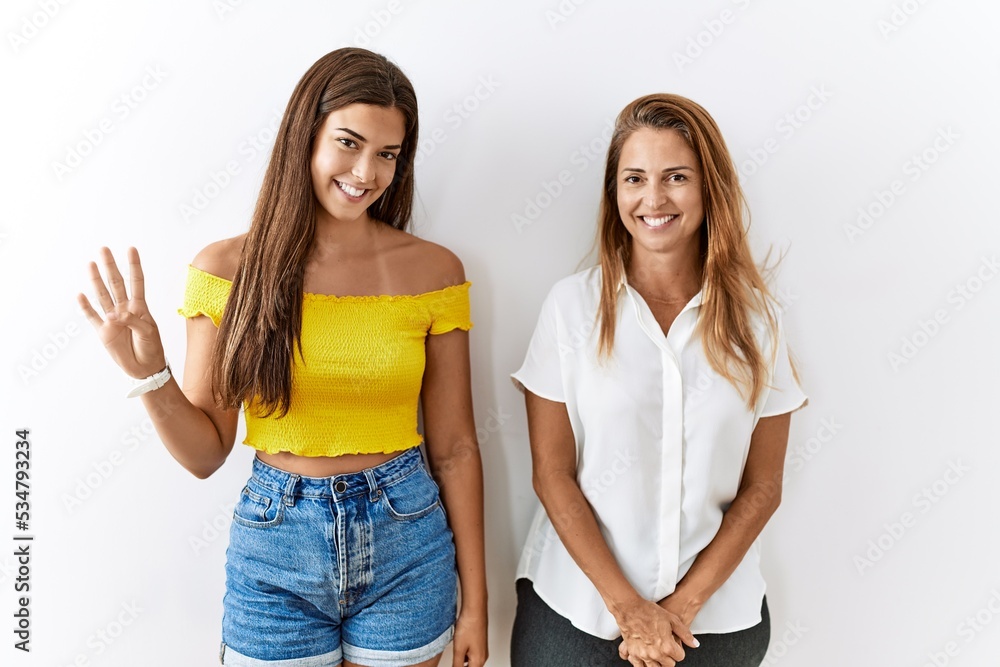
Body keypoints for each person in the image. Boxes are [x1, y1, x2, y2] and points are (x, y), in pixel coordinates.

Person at [78, 48, 488, 667]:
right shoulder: (224, 270)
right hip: (276, 547)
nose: (365, 171)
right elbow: (205, 454)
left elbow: (455, 448)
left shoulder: (432, 271)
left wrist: (476, 605)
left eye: (387, 154)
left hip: (410, 540)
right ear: (306, 135)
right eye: (348, 143)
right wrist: (149, 376)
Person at [509, 93, 807, 667]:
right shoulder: (571, 308)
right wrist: (630, 611)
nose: (653, 199)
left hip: (716, 627)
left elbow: (763, 487)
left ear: (707, 188)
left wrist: (680, 609)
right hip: (576, 620)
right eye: (634, 178)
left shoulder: (757, 320)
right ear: (614, 192)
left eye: (676, 177)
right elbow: (552, 475)